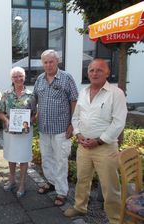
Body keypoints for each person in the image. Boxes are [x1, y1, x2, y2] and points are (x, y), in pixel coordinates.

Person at [64, 59, 127, 224]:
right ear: (87, 73)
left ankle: (114, 219)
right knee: (82, 179)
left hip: (105, 148)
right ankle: (80, 206)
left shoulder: (116, 93)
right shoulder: (83, 92)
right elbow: (76, 117)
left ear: (107, 73)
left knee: (110, 186)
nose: (94, 73)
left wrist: (99, 141)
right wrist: (78, 135)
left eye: (99, 70)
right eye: (91, 70)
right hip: (84, 146)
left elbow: (118, 122)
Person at [33, 49, 78, 206]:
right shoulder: (39, 79)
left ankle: (61, 192)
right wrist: (32, 115)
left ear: (57, 61)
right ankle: (51, 182)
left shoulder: (66, 78)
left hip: (61, 129)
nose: (48, 64)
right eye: (45, 62)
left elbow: (74, 100)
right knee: (47, 159)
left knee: (60, 160)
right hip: (44, 128)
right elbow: (35, 99)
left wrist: (73, 123)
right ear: (42, 64)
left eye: (51, 61)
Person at [0, 67, 36, 198]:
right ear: (11, 79)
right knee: (11, 156)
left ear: (24, 77)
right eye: (15, 76)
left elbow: (35, 114)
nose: (18, 79)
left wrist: (29, 122)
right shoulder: (6, 93)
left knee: (24, 157)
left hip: (25, 132)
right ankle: (12, 180)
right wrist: (6, 120)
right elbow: (1, 112)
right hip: (10, 131)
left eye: (20, 76)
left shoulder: (31, 95)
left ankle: (22, 184)